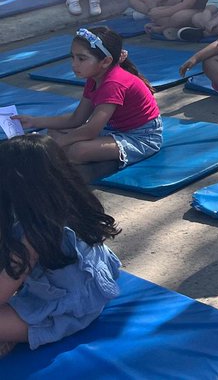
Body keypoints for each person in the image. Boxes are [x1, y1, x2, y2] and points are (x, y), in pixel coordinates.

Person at [0, 134, 121, 357]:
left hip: (68, 313)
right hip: (90, 292)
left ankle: (17, 336)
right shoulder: (69, 204)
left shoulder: (36, 234)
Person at [15, 27, 162, 167]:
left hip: (141, 137)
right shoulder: (94, 78)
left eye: (81, 59)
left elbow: (91, 129)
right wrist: (34, 121)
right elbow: (77, 118)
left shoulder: (114, 83)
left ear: (105, 61)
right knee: (53, 132)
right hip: (114, 129)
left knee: (78, 150)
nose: (74, 65)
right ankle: (59, 151)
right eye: (73, 57)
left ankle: (59, 154)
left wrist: (57, 143)